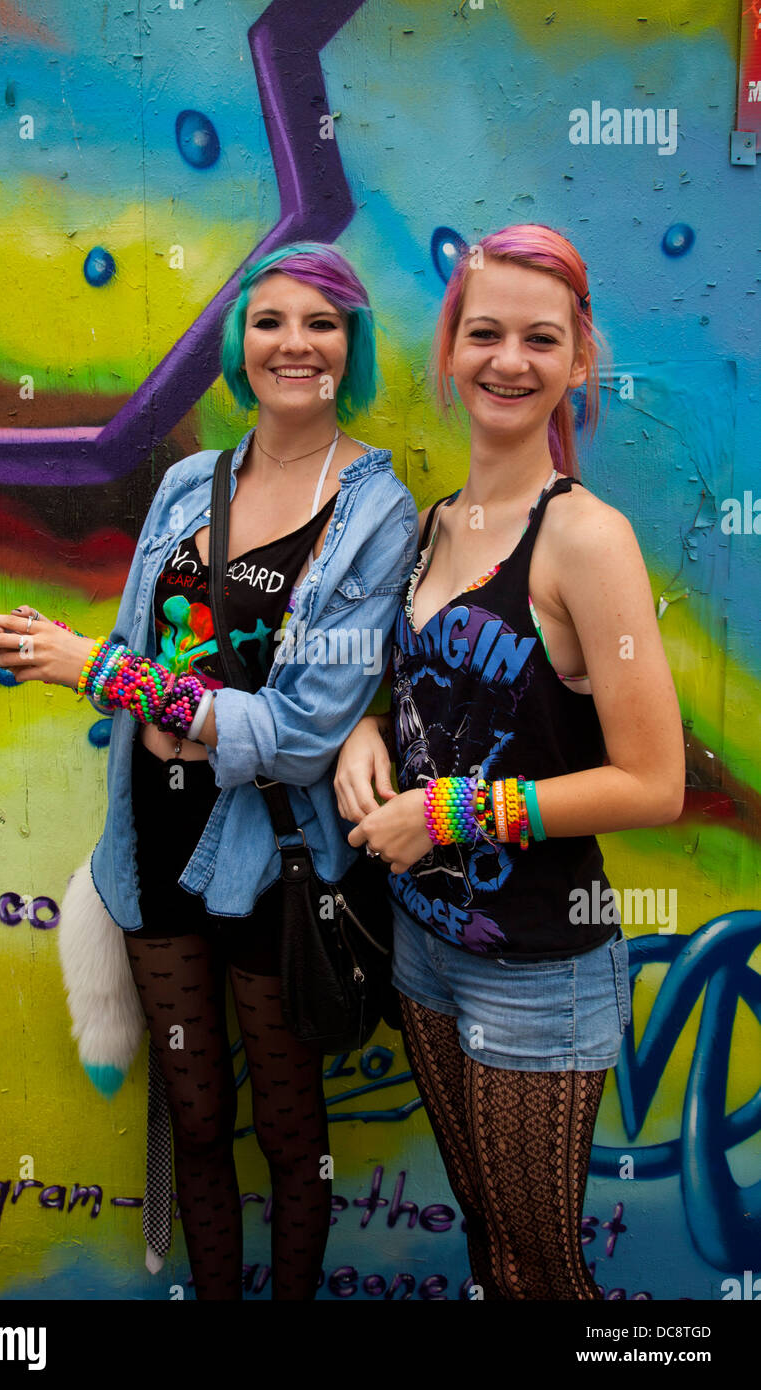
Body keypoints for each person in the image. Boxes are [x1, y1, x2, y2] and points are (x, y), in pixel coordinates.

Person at [0, 242, 418, 1300]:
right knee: (198, 1111)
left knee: (289, 1120)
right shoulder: (185, 486)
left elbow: (304, 730)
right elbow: (136, 656)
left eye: (321, 322)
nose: (292, 343)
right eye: (268, 321)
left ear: (348, 347)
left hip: (274, 863)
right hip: (156, 846)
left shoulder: (374, 515)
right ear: (238, 344)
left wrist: (113, 679)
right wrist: (64, 653)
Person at [334, 224, 685, 1301]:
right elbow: (433, 697)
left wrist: (444, 816)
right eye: (482, 332)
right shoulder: (438, 521)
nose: (507, 360)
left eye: (541, 338)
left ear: (578, 360)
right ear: (448, 350)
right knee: (492, 1247)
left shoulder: (584, 539)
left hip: (540, 969)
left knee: (544, 1270)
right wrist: (364, 731)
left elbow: (651, 784)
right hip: (424, 949)